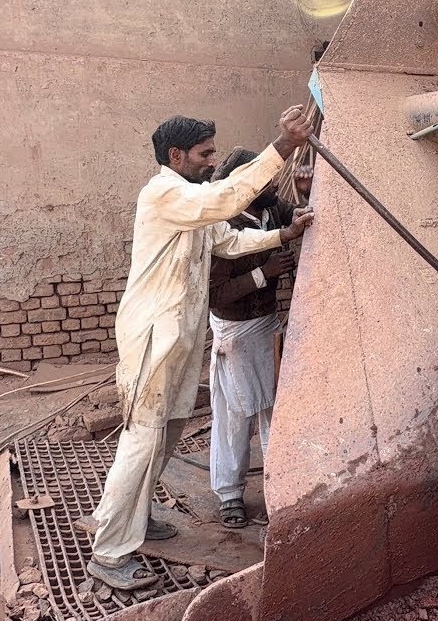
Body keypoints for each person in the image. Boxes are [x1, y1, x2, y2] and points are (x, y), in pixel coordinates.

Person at [87, 107, 316, 590]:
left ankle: (138, 518)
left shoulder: (189, 199)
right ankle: (109, 550)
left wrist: (283, 233)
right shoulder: (165, 192)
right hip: (153, 337)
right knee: (142, 438)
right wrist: (283, 146)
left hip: (180, 338)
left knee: (166, 435)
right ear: (177, 156)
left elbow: (228, 240)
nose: (212, 160)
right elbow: (227, 198)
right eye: (205, 153)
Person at [205, 149, 308, 528]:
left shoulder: (269, 208)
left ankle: (276, 491)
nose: (271, 185)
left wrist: (305, 191)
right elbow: (214, 295)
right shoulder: (221, 224)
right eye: (262, 179)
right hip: (234, 333)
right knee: (233, 415)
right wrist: (263, 274)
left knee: (272, 413)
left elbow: (292, 216)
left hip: (266, 326)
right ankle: (229, 494)